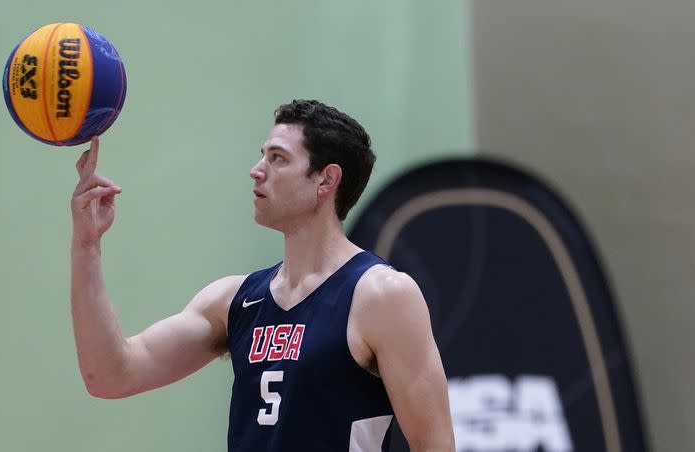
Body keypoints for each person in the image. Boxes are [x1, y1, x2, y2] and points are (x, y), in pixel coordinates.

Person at [70, 100, 455, 451]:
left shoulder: (381, 295)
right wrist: (87, 245)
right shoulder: (234, 300)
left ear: (325, 180)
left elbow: (435, 445)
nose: (256, 171)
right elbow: (110, 375)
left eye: (278, 158)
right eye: (262, 156)